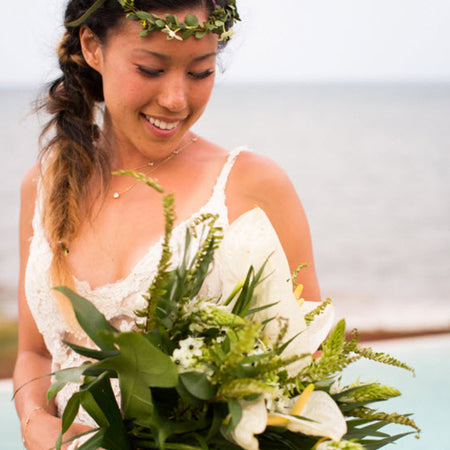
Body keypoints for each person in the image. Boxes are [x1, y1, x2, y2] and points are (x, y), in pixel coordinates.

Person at [14, 0, 320, 448]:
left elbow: (312, 357)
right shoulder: (44, 184)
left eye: (200, 73)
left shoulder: (252, 185)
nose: (176, 100)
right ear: (92, 47)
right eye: (151, 70)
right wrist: (34, 421)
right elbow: (35, 351)